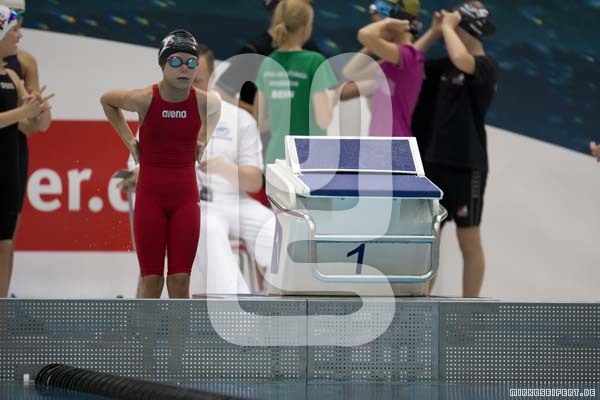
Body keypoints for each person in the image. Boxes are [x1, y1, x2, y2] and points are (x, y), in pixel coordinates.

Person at [122, 45, 275, 294]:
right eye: (183, 79)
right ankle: (234, 304)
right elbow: (134, 171)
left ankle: (288, 301)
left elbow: (255, 182)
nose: (189, 86)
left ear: (212, 78)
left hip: (235, 201)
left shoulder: (238, 118)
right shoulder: (157, 111)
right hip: (192, 203)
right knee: (208, 227)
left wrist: (225, 168)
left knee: (275, 229)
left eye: (197, 80)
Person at [100, 30, 221, 299]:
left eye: (191, 62)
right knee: (151, 281)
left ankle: (179, 332)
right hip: (150, 199)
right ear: (163, 64)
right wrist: (130, 141)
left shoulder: (202, 101)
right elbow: (107, 100)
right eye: (176, 61)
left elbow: (216, 110)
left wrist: (204, 139)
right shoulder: (146, 98)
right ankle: (146, 331)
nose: (184, 68)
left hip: (185, 200)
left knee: (180, 281)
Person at [412, 1, 499, 297]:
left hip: (466, 167)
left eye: (456, 27)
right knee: (428, 241)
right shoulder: (445, 67)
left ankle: (469, 311)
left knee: (468, 240)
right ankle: (420, 305)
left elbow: (463, 59)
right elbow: (410, 62)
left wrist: (449, 27)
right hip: (435, 163)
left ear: (467, 28)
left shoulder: (486, 66)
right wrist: (436, 32)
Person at [1, 0, 52, 297]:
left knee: (6, 239)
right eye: (12, 17)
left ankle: (2, 311)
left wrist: (38, 110)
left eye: (19, 16)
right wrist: (22, 115)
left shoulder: (23, 64)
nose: (18, 26)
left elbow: (37, 123)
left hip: (12, 152)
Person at [256, 0, 339, 165]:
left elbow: (261, 122)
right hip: (309, 160)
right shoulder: (315, 61)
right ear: (306, 27)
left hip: (276, 160)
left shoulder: (268, 63)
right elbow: (323, 120)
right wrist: (332, 96)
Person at [343, 0, 426, 137]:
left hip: (393, 140)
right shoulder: (391, 62)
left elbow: (364, 34)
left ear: (396, 22)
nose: (378, 29)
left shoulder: (409, 56)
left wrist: (385, 26)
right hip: (382, 139)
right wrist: (375, 43)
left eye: (379, 24)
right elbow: (351, 72)